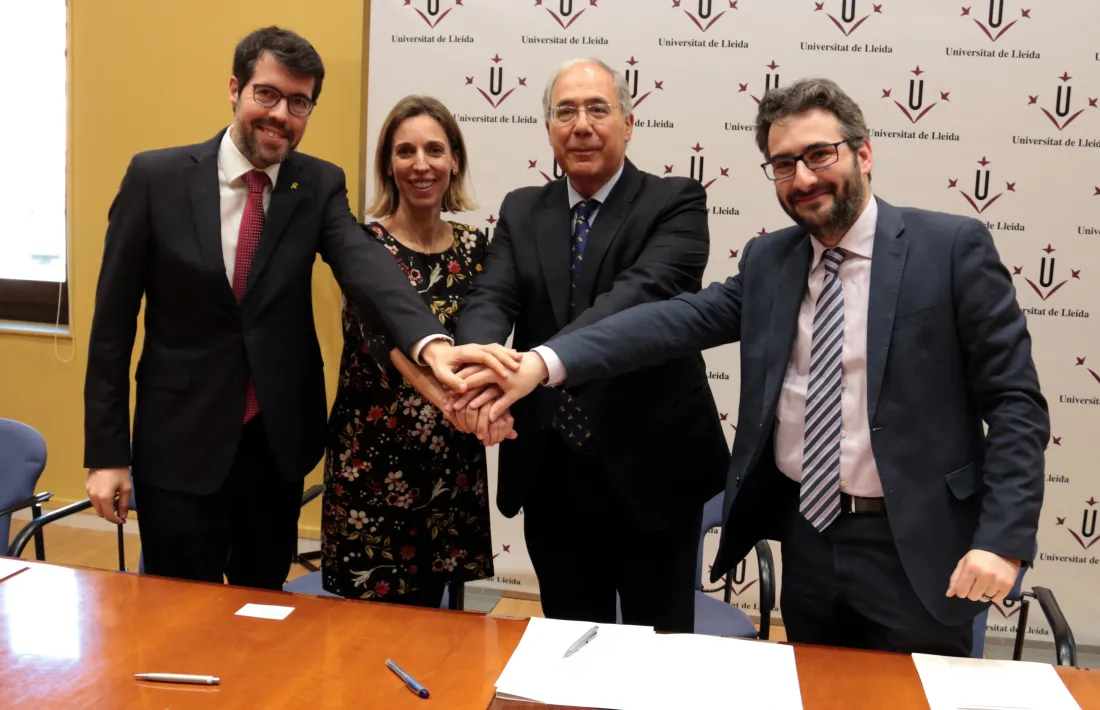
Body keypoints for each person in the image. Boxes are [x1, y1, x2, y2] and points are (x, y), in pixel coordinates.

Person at [464, 77, 1049, 656]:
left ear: (864, 152)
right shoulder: (772, 259)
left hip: (914, 544)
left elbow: (1015, 403)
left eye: (820, 155)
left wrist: (1002, 540)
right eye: (783, 164)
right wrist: (543, 363)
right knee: (814, 694)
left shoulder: (950, 248)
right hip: (809, 540)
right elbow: (671, 321)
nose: (804, 178)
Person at [82, 27, 516, 590]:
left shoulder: (316, 184)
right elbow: (111, 329)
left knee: (263, 613)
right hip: (179, 444)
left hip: (275, 448)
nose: (281, 114)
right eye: (268, 94)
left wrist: (431, 343)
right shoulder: (155, 178)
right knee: (176, 614)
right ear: (235, 89)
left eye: (299, 102)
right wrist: (106, 454)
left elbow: (367, 269)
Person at [445, 57, 729, 633]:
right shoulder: (524, 208)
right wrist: (476, 366)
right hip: (552, 473)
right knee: (568, 643)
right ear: (549, 129)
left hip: (653, 470)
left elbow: (639, 299)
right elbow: (491, 298)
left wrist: (537, 365)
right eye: (565, 112)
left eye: (597, 109)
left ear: (628, 123)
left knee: (660, 648)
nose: (581, 124)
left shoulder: (675, 201)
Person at [320, 96, 512, 606]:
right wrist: (452, 398)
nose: (421, 164)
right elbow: (383, 341)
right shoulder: (362, 245)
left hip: (452, 465)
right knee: (372, 635)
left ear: (454, 161)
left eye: (434, 150)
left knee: (443, 631)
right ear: (388, 163)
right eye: (405, 151)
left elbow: (485, 340)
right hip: (374, 468)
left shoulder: (478, 247)